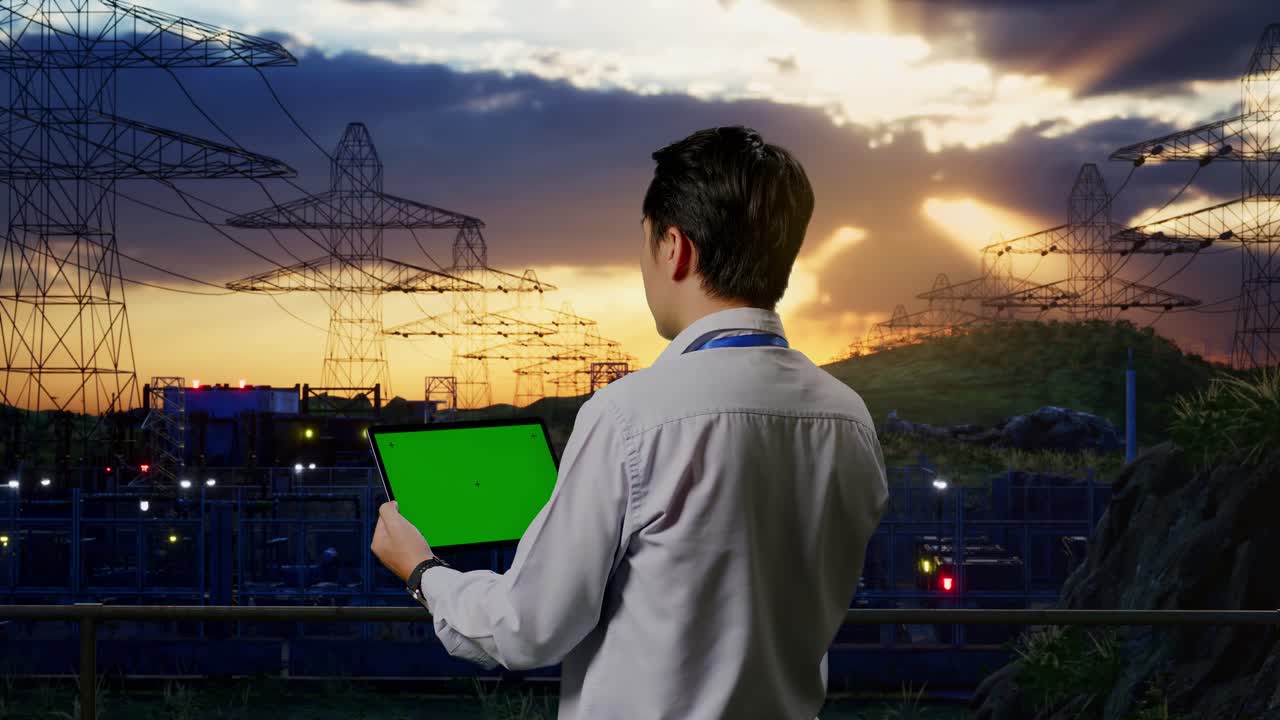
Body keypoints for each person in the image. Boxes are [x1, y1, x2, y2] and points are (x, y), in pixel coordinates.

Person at [372, 125, 889, 719]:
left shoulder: (630, 416)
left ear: (675, 248)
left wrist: (423, 572)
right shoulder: (848, 418)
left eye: (645, 244)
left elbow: (526, 627)